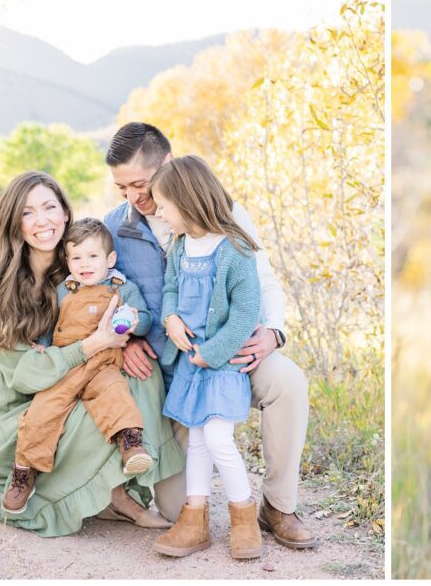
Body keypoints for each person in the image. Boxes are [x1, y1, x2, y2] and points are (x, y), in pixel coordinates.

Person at [102, 122, 315, 548]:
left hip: (230, 351)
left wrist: (273, 332)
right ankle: (190, 516)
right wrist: (127, 339)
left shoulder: (226, 215)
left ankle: (277, 505)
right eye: (122, 187)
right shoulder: (114, 228)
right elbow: (108, 292)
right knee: (175, 499)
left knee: (287, 381)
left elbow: (263, 281)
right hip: (170, 371)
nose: (134, 197)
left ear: (167, 164)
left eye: (141, 184)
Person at [0, 172, 181, 535]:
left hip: (72, 383)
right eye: (27, 213)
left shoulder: (79, 265)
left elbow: (115, 309)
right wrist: (95, 345)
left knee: (140, 371)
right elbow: (26, 376)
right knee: (99, 397)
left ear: (65, 213)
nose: (42, 221)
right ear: (13, 222)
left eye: (50, 207)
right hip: (21, 411)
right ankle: (105, 493)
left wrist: (127, 339)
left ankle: (119, 481)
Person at [146, 156, 265, 559]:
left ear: (187, 201)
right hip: (189, 363)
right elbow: (170, 291)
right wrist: (171, 318)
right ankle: (194, 519)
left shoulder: (235, 249)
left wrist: (210, 355)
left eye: (163, 206)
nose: (159, 213)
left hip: (220, 365)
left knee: (217, 439)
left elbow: (247, 313)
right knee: (196, 441)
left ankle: (243, 516)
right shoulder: (180, 247)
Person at [2, 217, 155, 514]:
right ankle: (25, 472)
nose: (84, 264)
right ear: (67, 260)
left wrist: (136, 323)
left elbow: (146, 319)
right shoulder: (64, 289)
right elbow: (52, 323)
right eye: (76, 257)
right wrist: (44, 343)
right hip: (69, 364)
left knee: (114, 392)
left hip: (103, 365)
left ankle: (131, 443)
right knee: (43, 410)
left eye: (92, 256)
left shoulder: (123, 287)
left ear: (109, 259)